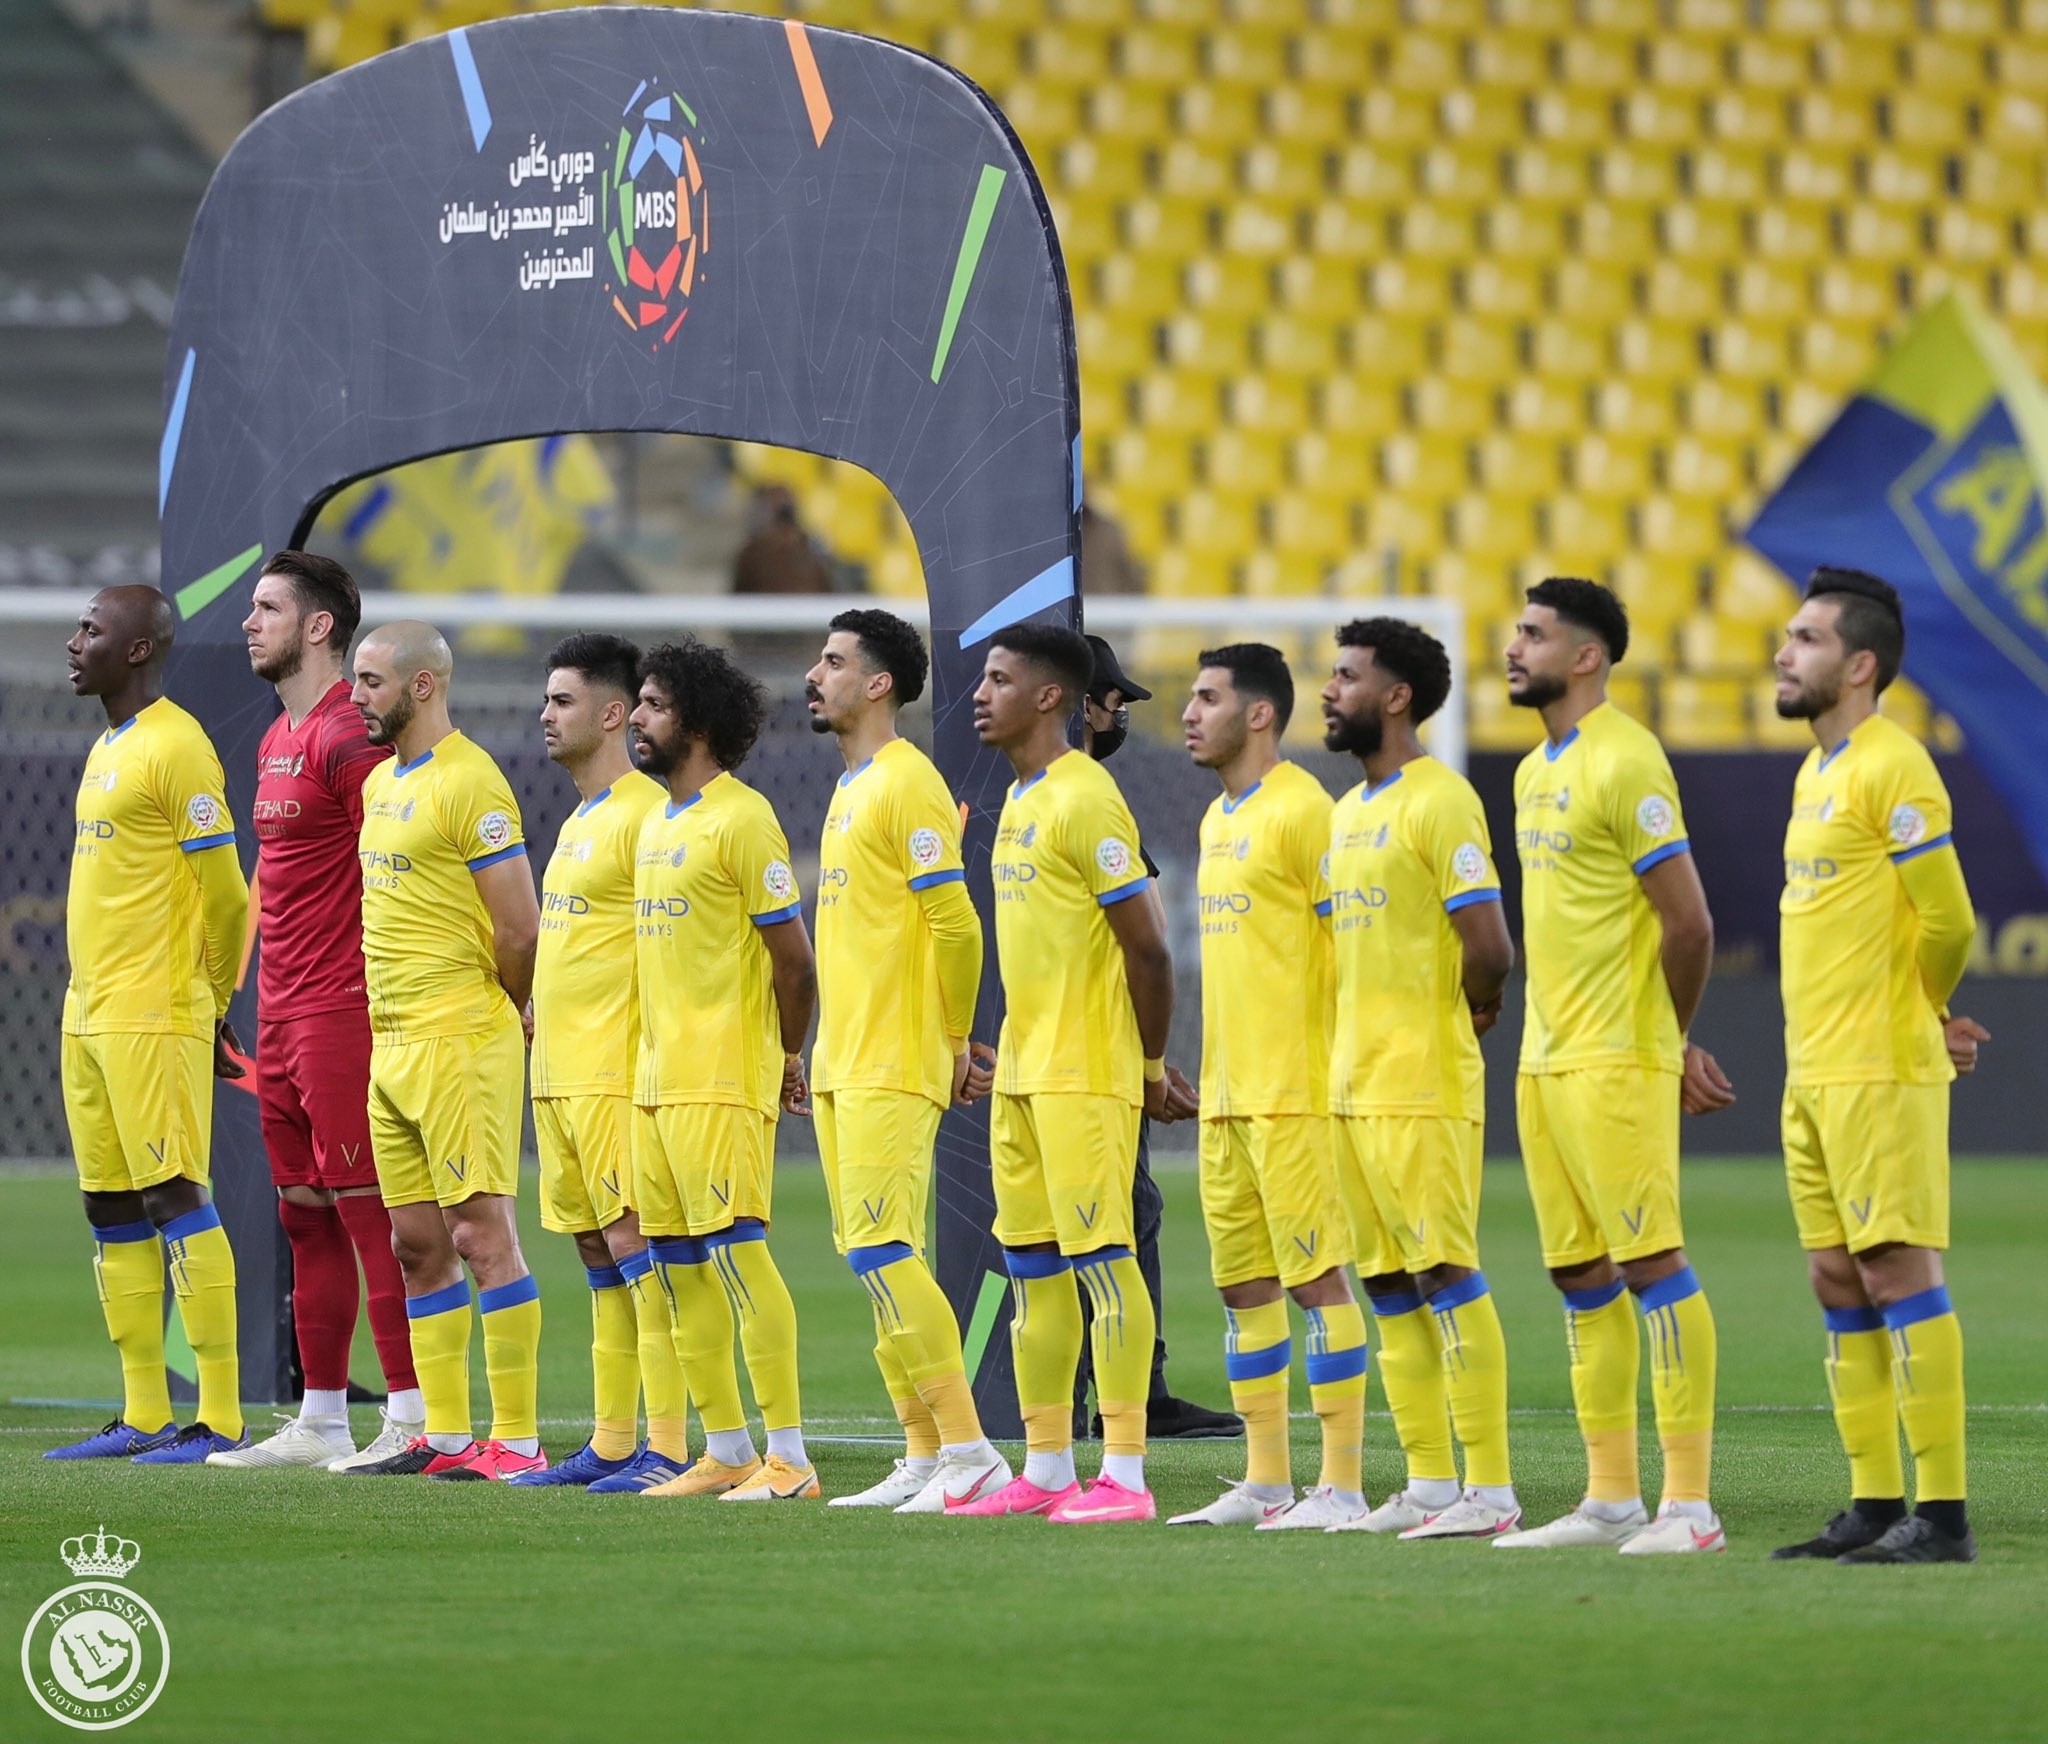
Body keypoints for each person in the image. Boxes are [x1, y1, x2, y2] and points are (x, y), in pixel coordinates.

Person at [1492, 577, 1732, 1555]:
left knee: (1650, 1261)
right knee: (1578, 1273)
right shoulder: (1529, 770)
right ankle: (1610, 1498)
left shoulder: (1626, 760)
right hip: (1544, 1058)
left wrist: (1667, 1040)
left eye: (1534, 634)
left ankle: (1688, 1505)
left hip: (1614, 1055)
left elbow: (1688, 921)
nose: (1512, 647)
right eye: (1514, 629)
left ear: (1585, 656)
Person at [954, 622, 1196, 1524]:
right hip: (1023, 1073)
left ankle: (1125, 1474)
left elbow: (1150, 949)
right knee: (1033, 1277)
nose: (981, 693)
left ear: (1049, 696)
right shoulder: (1024, 799)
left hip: (1084, 1074)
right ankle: (1048, 1464)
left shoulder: (1086, 798)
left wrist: (1143, 1066)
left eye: (1000, 679)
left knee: (1103, 1266)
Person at [1768, 568, 1984, 1565]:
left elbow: (1946, 918)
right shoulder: (1817, 770)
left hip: (1877, 1068)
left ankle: (1938, 1513)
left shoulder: (1893, 766)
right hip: (1811, 1071)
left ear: (1857, 665)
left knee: (1897, 1267)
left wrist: (1926, 1013)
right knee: (1833, 1277)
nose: (1781, 650)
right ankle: (1869, 1498)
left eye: (1804, 639)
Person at [210, 552, 424, 1472]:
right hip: (283, 1009)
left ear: (319, 627)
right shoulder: (273, 738)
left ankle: (414, 1414)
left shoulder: (352, 737)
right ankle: (324, 1417)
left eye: (267, 609)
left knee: (371, 1210)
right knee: (303, 1210)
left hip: (344, 1006)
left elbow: (398, 870)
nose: (249, 623)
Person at [804, 608, 1012, 1512]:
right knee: (871, 1259)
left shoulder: (907, 783)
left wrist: (958, 1038)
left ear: (878, 682)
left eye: (834, 661)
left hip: (893, 1055)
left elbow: (956, 922)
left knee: (888, 1251)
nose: (816, 674)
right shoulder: (851, 787)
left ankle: (972, 1451)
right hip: (844, 1059)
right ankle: (923, 1451)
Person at [1318, 620, 1521, 1539]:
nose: (1329, 690)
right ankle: (1432, 1484)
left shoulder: (1441, 801)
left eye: (1348, 676)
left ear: (1396, 697)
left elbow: (1489, 946)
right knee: (1389, 1284)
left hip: (1422, 1081)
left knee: (1446, 1271)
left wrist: (1471, 1007)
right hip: (1355, 1085)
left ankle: (1492, 1490)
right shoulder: (1349, 809)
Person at [1167, 644, 1370, 1531]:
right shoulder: (1218, 821)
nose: (1188, 711)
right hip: (1226, 1096)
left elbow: (1354, 948)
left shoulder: (1305, 812)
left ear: (1257, 714)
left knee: (1317, 1281)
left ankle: (1343, 1484)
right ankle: (1266, 1480)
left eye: (1206, 697)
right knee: (1243, 1287)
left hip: (1297, 1092)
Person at [46, 586, 250, 1464]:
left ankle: (221, 1416)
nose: (73, 640)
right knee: (110, 1206)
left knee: (174, 1195)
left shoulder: (177, 745)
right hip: (88, 1012)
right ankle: (142, 1413)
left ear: (136, 649)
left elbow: (229, 898)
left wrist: (209, 1001)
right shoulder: (108, 746)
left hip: (153, 1009)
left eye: (92, 629)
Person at [343, 621, 546, 1480]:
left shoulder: (474, 782)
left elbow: (519, 925)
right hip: (390, 1044)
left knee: (480, 1234)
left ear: (423, 686)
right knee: (415, 1243)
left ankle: (520, 1439)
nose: (356, 696)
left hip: (460, 1034)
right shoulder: (384, 784)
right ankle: (449, 1433)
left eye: (371, 681)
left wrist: (506, 1004)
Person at [627, 639, 821, 1501]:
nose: (636, 717)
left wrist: (784, 1055)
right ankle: (728, 1449)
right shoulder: (656, 821)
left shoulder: (744, 818)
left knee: (738, 1255)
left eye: (654, 705)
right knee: (673, 1265)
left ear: (698, 723)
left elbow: (795, 959)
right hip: (656, 1081)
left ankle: (791, 1458)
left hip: (721, 1076)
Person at [508, 634, 692, 1492]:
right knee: (595, 1254)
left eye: (563, 701)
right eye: (546, 701)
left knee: (635, 1247)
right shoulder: (583, 818)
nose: (546, 715)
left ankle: (667, 1445)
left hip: (617, 1077)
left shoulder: (644, 814)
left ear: (613, 714)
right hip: (560, 1078)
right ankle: (613, 1441)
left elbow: (677, 946)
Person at [1077, 632, 1242, 1443]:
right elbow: (1146, 949)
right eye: (1113, 701)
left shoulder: (1040, 801)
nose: (1121, 717)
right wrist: (1146, 1063)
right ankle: (1123, 1397)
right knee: (1112, 1225)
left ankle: (1114, 1390)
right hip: (1091, 1067)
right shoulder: (1087, 802)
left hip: (1065, 1058)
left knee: (1099, 1225)